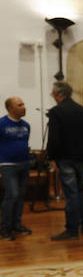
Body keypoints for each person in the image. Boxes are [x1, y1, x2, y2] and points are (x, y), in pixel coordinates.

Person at [47, 81, 83, 240]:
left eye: (53, 94)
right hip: (81, 157)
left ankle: (72, 229)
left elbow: (54, 138)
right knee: (82, 192)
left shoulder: (56, 112)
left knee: (71, 194)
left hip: (65, 158)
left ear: (59, 94)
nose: (53, 97)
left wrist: (51, 157)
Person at [0, 97, 32, 240]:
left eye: (23, 103)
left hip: (24, 164)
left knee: (20, 196)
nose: (24, 107)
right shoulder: (2, 124)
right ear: (10, 109)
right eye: (20, 105)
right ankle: (4, 228)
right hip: (8, 165)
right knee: (11, 194)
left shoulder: (26, 125)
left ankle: (16, 224)